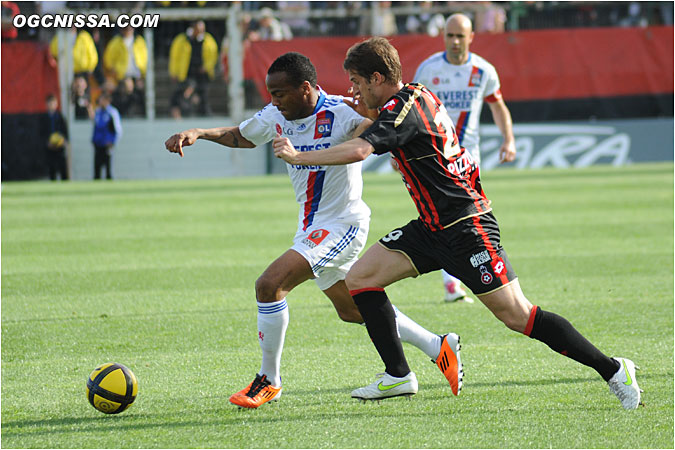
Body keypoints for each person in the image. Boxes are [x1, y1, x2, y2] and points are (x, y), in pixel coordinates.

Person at [272, 37, 642, 410]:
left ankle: (613, 369)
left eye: (356, 81)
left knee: (518, 315)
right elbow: (381, 131)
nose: (352, 89)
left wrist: (299, 154)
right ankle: (398, 375)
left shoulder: (400, 110)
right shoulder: (415, 95)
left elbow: (360, 149)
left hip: (468, 227)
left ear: (377, 77)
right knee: (360, 279)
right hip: (433, 226)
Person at [165, 52, 462, 409]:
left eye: (281, 93)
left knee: (269, 284)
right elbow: (241, 136)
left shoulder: (339, 113)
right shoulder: (276, 115)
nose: (274, 101)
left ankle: (268, 381)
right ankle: (437, 345)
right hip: (312, 228)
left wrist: (371, 125)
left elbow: (369, 136)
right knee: (352, 309)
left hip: (344, 224)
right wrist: (199, 132)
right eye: (271, 94)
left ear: (306, 88)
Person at [414, 13, 516, 303]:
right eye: (450, 35)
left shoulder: (483, 71)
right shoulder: (428, 69)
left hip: (468, 157)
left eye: (461, 36)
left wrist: (508, 138)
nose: (455, 41)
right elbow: (412, 111)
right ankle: (454, 281)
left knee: (465, 216)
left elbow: (498, 106)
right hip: (433, 155)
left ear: (472, 37)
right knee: (448, 215)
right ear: (443, 36)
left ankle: (457, 278)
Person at [168, 21, 218, 115]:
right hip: (186, 73)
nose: (200, 32)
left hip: (202, 75)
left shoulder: (208, 41)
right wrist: (174, 72)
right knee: (184, 94)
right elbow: (174, 57)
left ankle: (204, 115)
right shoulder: (182, 40)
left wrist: (206, 67)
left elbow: (213, 56)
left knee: (202, 97)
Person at [103, 25, 147, 116]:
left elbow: (145, 58)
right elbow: (108, 60)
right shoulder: (116, 42)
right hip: (122, 76)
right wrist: (114, 71)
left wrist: (143, 74)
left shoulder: (139, 41)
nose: (128, 31)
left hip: (137, 76)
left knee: (140, 97)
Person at [92, 92, 122, 180]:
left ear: (107, 101)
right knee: (97, 170)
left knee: (108, 169)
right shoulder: (97, 112)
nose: (100, 101)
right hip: (98, 144)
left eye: (102, 100)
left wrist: (113, 142)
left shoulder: (112, 112)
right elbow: (96, 127)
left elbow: (118, 129)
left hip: (107, 145)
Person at [41, 94, 69, 181]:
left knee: (63, 169)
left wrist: (63, 141)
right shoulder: (44, 118)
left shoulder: (60, 117)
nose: (51, 105)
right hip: (49, 148)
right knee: (51, 169)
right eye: (49, 103)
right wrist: (47, 142)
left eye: (53, 103)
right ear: (46, 104)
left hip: (60, 147)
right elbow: (41, 133)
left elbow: (65, 132)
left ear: (56, 104)